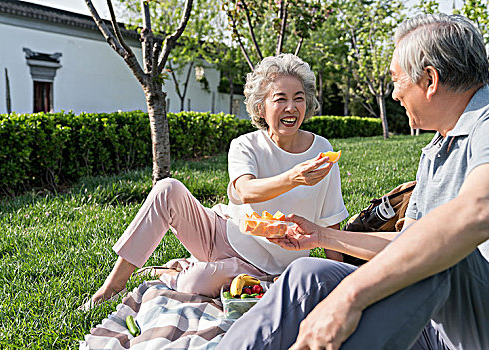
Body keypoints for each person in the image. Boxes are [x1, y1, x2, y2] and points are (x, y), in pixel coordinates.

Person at [216, 13, 489, 349]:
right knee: (308, 274)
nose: (394, 94)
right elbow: (404, 243)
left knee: (440, 252)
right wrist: (322, 236)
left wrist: (350, 298)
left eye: (397, 80)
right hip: (432, 321)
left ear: (430, 80)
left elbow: (479, 214)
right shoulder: (435, 150)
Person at [81, 53, 349, 309]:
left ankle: (175, 270)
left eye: (298, 98)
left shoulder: (321, 152)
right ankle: (112, 287)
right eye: (280, 99)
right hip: (221, 233)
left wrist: (341, 281)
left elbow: (330, 221)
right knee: (167, 189)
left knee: (193, 283)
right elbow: (244, 191)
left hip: (267, 267)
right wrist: (293, 178)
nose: (291, 107)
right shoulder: (245, 145)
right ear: (261, 107)